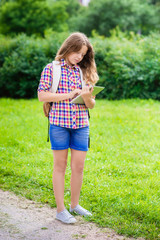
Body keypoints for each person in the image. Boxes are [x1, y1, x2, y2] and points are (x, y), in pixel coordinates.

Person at [38, 32, 99, 224]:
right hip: (59, 124)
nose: (79, 57)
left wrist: (88, 96)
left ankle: (74, 205)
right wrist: (68, 94)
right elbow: (42, 96)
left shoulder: (83, 71)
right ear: (68, 48)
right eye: (77, 52)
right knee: (60, 166)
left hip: (81, 125)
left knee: (78, 167)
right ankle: (60, 210)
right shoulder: (52, 69)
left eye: (83, 54)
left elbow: (91, 105)